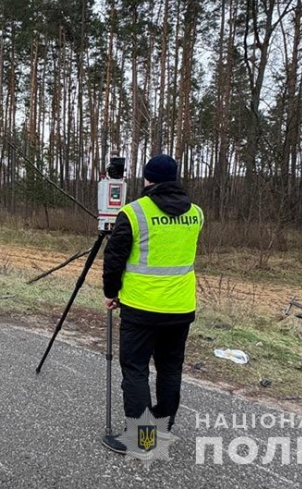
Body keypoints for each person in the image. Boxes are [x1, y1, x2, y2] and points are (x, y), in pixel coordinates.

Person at [101, 154, 204, 456]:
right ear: (174, 178)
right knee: (170, 369)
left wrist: (110, 292)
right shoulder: (196, 213)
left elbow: (114, 259)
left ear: (147, 180)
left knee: (135, 370)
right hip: (181, 308)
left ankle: (144, 440)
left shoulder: (134, 213)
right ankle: (161, 428)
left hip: (141, 308)